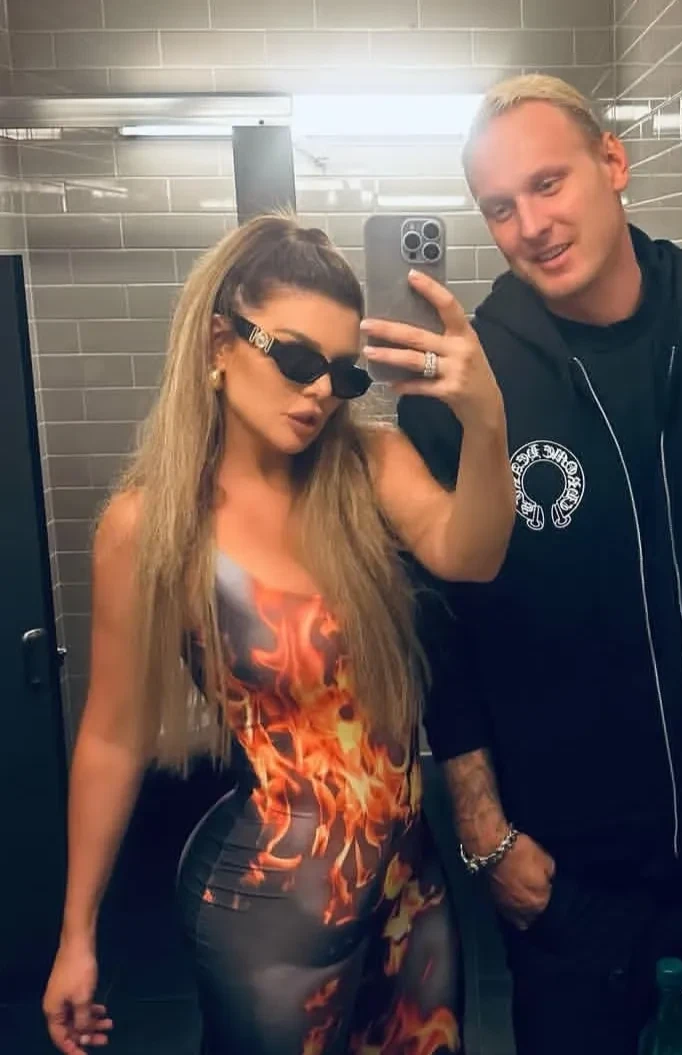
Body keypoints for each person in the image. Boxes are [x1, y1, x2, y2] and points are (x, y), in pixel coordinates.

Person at [398, 75, 682, 1055]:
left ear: (611, 163)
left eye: (548, 183)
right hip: (567, 879)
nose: (530, 225)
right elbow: (443, 631)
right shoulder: (466, 392)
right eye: (499, 207)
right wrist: (482, 830)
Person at [42, 213, 514, 1055]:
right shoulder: (149, 527)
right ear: (220, 341)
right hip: (269, 914)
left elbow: (471, 554)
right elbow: (112, 736)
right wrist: (77, 935)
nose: (321, 391)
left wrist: (486, 421)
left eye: (342, 372)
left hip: (412, 895)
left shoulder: (368, 467)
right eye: (296, 360)